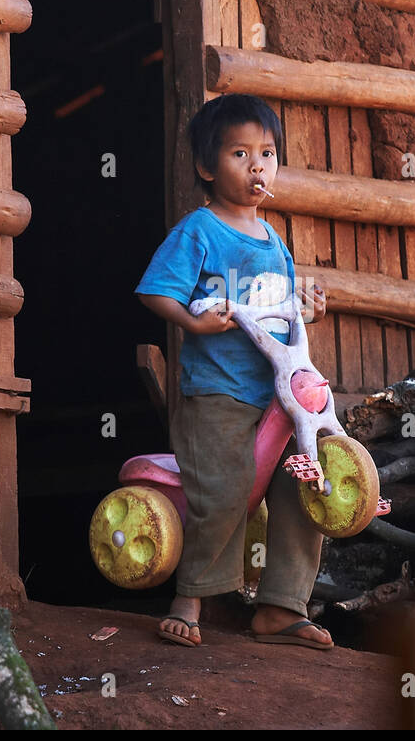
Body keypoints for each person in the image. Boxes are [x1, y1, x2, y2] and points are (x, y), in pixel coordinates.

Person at [134, 93, 333, 649]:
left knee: (301, 486)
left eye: (267, 154)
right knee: (223, 490)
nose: (257, 167)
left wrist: (308, 301)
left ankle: (280, 607)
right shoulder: (200, 231)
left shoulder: (275, 242)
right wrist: (193, 325)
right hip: (217, 395)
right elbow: (155, 292)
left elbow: (286, 305)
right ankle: (190, 597)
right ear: (206, 167)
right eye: (240, 154)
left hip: (276, 397)